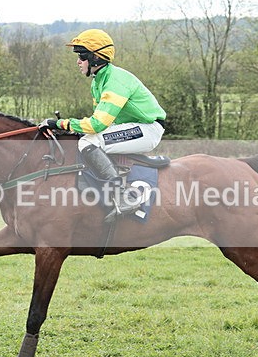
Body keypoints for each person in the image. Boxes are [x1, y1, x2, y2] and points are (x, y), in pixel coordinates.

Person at [39, 28, 166, 222]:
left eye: (82, 56)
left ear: (95, 57)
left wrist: (61, 124)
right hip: (134, 126)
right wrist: (70, 128)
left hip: (148, 129)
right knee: (85, 139)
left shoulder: (115, 81)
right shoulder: (98, 81)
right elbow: (100, 121)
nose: (78, 61)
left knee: (87, 142)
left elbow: (97, 125)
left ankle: (123, 196)